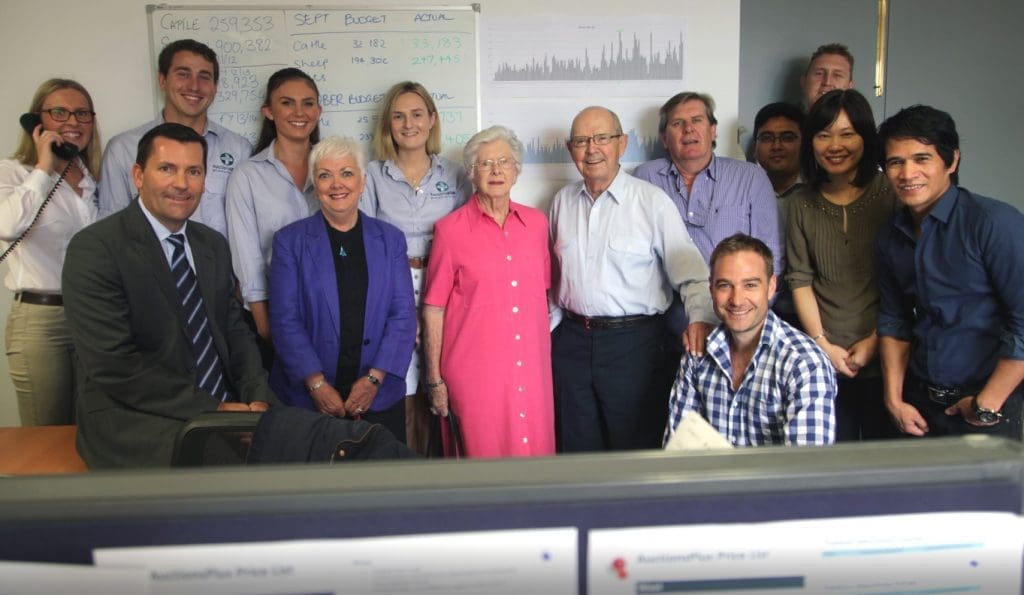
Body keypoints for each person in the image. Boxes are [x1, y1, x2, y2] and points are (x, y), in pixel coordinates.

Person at [63, 123, 277, 468]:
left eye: (193, 171)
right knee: (234, 466)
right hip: (139, 415)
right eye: (167, 169)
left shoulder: (212, 245)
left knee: (303, 440)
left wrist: (256, 399)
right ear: (138, 175)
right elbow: (113, 364)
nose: (181, 184)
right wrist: (216, 411)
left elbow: (235, 332)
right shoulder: (96, 248)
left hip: (223, 405)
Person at [550, 106, 716, 452]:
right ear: (570, 149)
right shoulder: (561, 203)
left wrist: (701, 320)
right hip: (572, 344)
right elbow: (554, 281)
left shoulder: (651, 203)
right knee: (577, 450)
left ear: (622, 144)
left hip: (635, 347)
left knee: (634, 449)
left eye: (602, 138)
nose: (591, 149)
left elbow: (694, 277)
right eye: (581, 140)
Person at [876, 105, 1024, 439]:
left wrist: (987, 404)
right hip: (918, 405)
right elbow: (893, 319)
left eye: (921, 158)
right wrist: (894, 399)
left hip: (988, 406)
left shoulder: (993, 223)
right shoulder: (889, 235)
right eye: (895, 162)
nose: (907, 173)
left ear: (951, 160)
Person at [268, 136, 415, 441]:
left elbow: (402, 316)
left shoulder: (390, 240)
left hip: (380, 394)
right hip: (307, 399)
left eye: (347, 173)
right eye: (325, 175)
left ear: (362, 181)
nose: (337, 184)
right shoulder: (289, 242)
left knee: (382, 484)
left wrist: (374, 380)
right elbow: (285, 320)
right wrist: (317, 384)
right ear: (314, 184)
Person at [422, 125, 554, 458]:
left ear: (517, 170)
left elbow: (544, 297)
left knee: (535, 459)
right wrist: (435, 381)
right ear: (470, 172)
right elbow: (433, 308)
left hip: (532, 372)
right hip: (475, 376)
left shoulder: (538, 224)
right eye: (485, 163)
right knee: (482, 464)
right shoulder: (449, 231)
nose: (496, 170)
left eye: (504, 162)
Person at [359, 81, 470, 452]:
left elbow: (469, 238)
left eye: (417, 114)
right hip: (394, 286)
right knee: (403, 383)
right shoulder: (371, 176)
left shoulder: (455, 174)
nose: (409, 124)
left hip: (446, 288)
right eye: (399, 116)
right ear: (388, 125)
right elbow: (368, 247)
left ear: (432, 120)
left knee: (445, 380)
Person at [786, 89, 898, 441]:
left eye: (847, 134)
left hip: (890, 355)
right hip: (825, 359)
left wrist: (875, 341)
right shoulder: (802, 204)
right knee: (834, 463)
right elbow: (800, 279)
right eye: (823, 135)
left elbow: (909, 283)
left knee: (887, 463)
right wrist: (822, 344)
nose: (835, 145)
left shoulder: (892, 194)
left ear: (866, 137)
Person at [633, 92, 779, 343]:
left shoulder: (750, 178)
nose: (688, 129)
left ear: (713, 130)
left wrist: (743, 319)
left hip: (736, 319)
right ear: (664, 139)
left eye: (697, 120)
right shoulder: (645, 178)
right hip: (664, 326)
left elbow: (771, 257)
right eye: (677, 124)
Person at [664, 234, 836, 446]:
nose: (737, 300)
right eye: (725, 285)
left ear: (771, 286)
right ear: (711, 289)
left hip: (775, 481)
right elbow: (678, 454)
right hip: (710, 479)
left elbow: (805, 472)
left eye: (750, 285)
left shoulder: (805, 364)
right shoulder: (697, 354)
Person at [0, 79, 101, 426]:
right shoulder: (13, 173)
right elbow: (6, 226)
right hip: (41, 321)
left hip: (90, 318)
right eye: (60, 112)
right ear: (36, 121)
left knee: (88, 427)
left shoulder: (92, 181)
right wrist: (43, 168)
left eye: (82, 113)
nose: (73, 122)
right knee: (45, 434)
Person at [98, 39, 250, 237]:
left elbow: (245, 231)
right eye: (183, 74)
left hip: (218, 267)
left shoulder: (239, 150)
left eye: (204, 77)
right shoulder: (123, 149)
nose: (194, 86)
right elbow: (112, 228)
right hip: (148, 267)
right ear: (162, 80)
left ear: (215, 87)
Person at [226, 68, 321, 354]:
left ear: (319, 110)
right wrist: (265, 327)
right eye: (286, 102)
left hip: (332, 308)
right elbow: (247, 257)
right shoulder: (248, 176)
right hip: (276, 309)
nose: (299, 112)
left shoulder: (335, 169)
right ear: (268, 111)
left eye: (307, 103)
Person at [753, 101, 805, 329]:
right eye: (766, 138)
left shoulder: (818, 193)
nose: (776, 146)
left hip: (811, 314)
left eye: (787, 137)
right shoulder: (743, 193)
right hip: (757, 312)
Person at [800, 43, 855, 108]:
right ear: (803, 82)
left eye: (837, 75)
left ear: (850, 87)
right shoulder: (786, 117)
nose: (827, 82)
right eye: (819, 73)